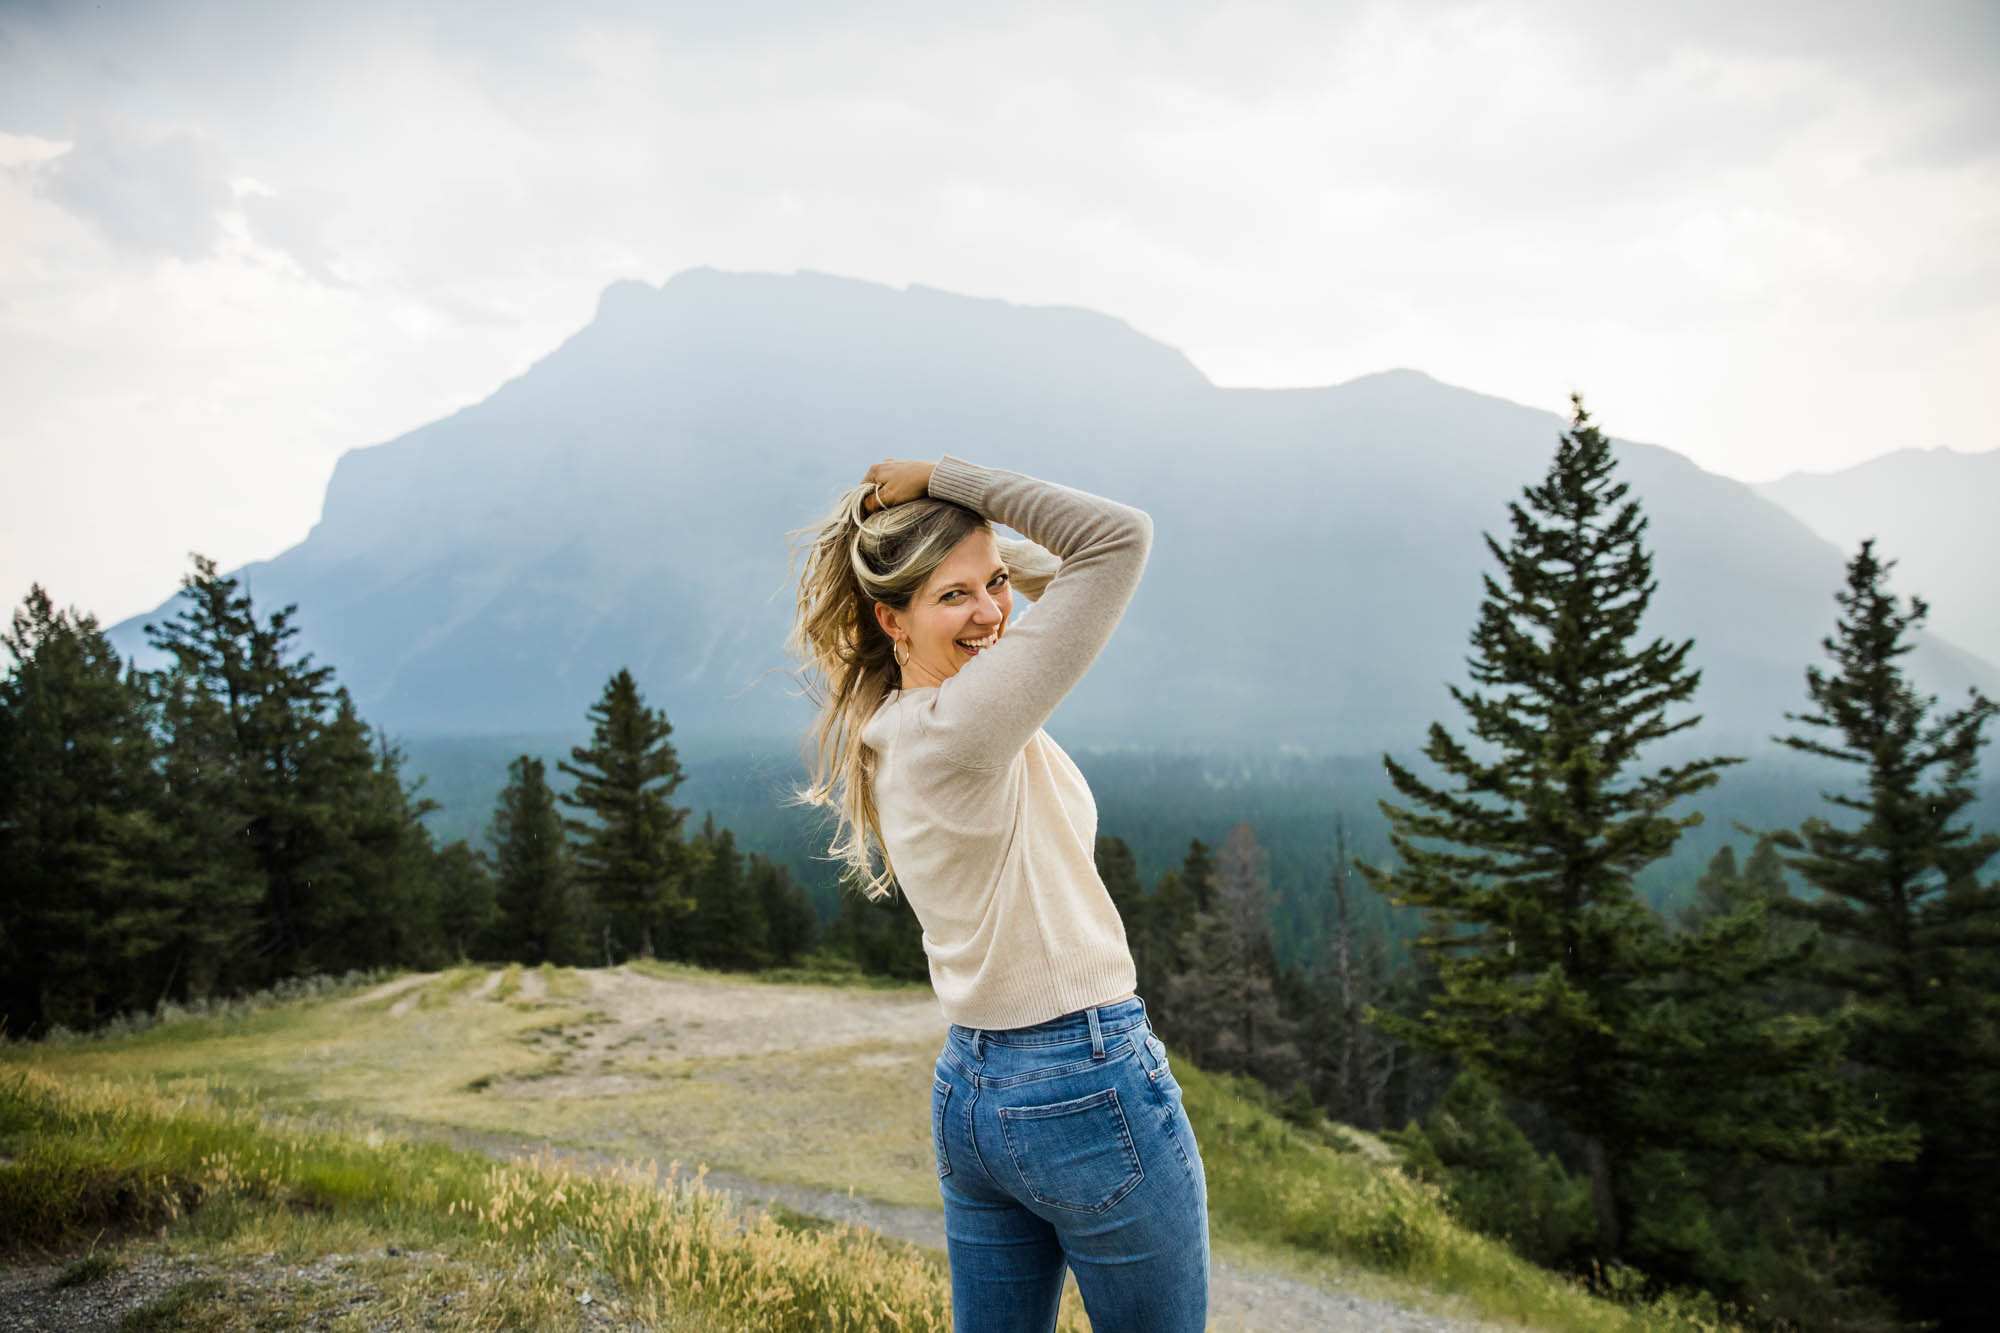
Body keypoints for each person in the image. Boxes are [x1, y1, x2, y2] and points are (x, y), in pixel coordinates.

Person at [787, 455, 1209, 1333]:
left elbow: (1049, 581)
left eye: (995, 585)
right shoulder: (970, 721)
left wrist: (967, 550)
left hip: (975, 1088)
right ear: (889, 618)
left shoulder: (897, 724)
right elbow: (1114, 541)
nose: (991, 613)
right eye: (953, 597)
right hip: (1085, 1081)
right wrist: (947, 479)